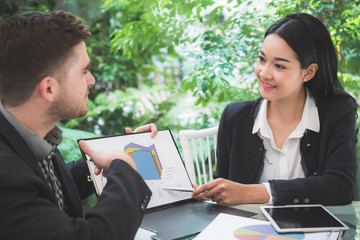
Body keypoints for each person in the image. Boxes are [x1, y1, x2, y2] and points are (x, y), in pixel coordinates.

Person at [0, 11, 158, 240]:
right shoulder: (5, 179)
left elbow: (44, 188)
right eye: (84, 71)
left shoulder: (30, 134)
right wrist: (123, 170)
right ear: (49, 89)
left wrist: (113, 155)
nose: (91, 80)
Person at [192, 13, 358, 206]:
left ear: (309, 72)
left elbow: (341, 187)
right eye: (262, 59)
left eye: (279, 65)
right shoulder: (234, 117)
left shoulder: (337, 112)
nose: (264, 73)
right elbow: (223, 187)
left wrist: (254, 193)